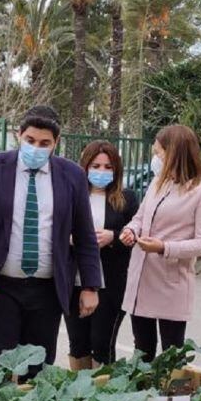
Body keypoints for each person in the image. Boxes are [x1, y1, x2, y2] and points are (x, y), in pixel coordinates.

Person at [0, 105, 102, 370]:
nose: (36, 148)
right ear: (19, 135)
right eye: (30, 140)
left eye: (45, 143)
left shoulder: (72, 175)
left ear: (56, 143)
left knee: (38, 372)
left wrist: (90, 286)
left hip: (47, 293)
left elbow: (85, 236)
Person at [119, 125, 201, 358]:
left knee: (171, 354)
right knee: (142, 350)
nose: (155, 159)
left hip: (171, 282)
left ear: (174, 154)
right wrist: (130, 231)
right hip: (141, 278)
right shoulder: (157, 183)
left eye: (158, 153)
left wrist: (164, 247)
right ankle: (143, 393)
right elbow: (140, 217)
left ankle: (170, 395)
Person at [64, 141, 137, 369]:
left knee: (102, 342)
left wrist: (113, 237)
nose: (102, 171)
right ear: (85, 166)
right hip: (75, 282)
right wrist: (69, 238)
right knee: (78, 343)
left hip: (110, 285)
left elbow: (134, 235)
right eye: (96, 165)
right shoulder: (71, 196)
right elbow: (54, 229)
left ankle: (103, 395)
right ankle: (77, 397)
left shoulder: (126, 199)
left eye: (108, 167)